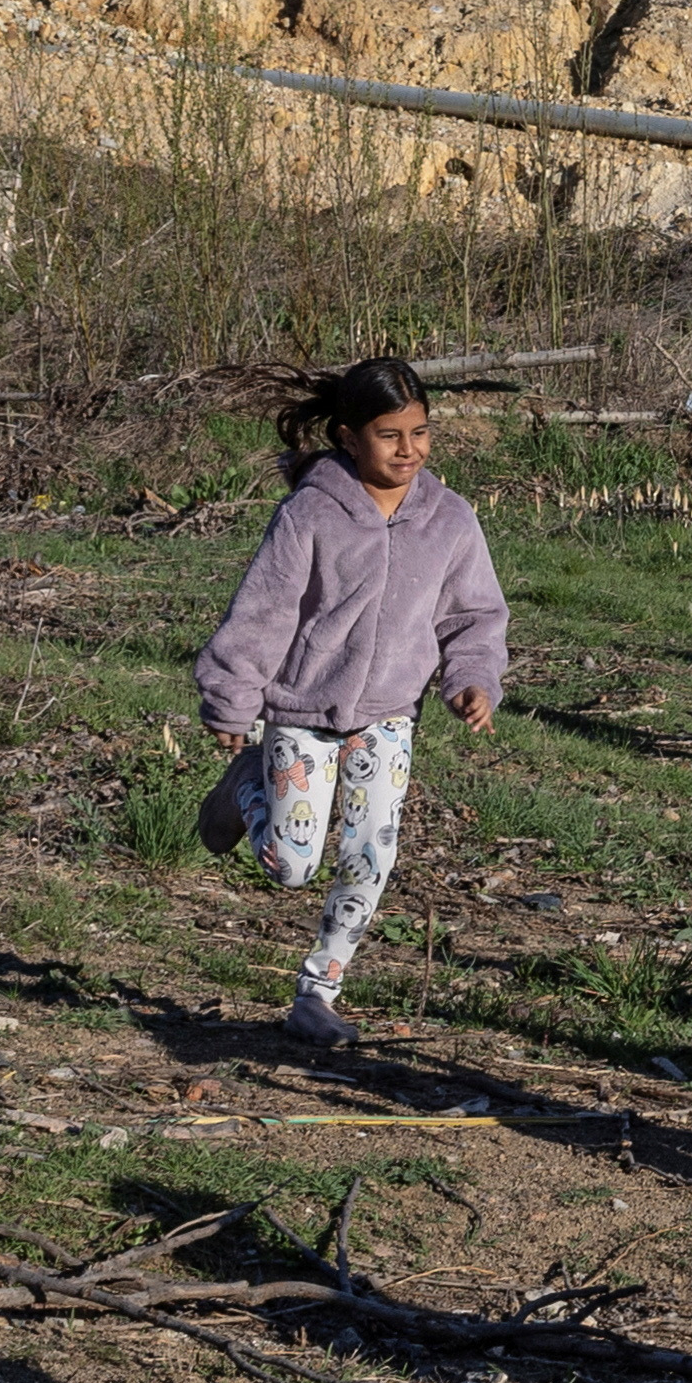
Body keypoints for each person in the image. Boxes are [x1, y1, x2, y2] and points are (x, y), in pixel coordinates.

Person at [195, 357, 512, 1047]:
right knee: (292, 862)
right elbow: (265, 611)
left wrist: (472, 681)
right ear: (346, 435)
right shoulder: (311, 512)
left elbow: (475, 616)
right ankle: (245, 784)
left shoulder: (449, 520)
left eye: (421, 432)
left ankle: (319, 989)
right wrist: (231, 694)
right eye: (390, 434)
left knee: (371, 853)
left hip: (390, 713)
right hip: (302, 709)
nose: (410, 449)